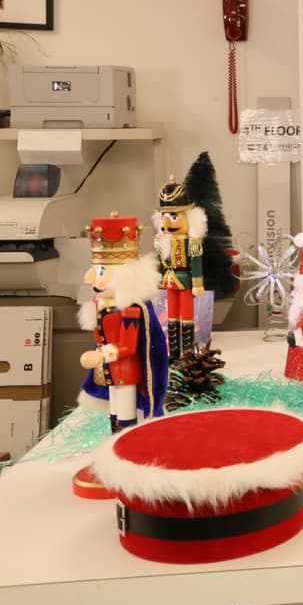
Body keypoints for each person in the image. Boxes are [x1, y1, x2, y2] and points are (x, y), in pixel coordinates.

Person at [77, 213, 170, 433]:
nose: (98, 280)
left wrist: (101, 355)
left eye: (106, 273)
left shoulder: (131, 309)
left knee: (126, 414)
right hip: (107, 370)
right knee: (114, 412)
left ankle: (125, 440)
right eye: (100, 271)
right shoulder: (101, 302)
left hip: (125, 370)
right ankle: (115, 439)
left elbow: (128, 346)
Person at [155, 175, 206, 360]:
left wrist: (197, 283)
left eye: (174, 216)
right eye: (164, 216)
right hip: (169, 281)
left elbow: (196, 263)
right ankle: (174, 353)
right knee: (172, 317)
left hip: (184, 280)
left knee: (187, 316)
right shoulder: (161, 241)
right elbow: (158, 263)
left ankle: (188, 352)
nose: (166, 223)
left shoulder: (191, 242)